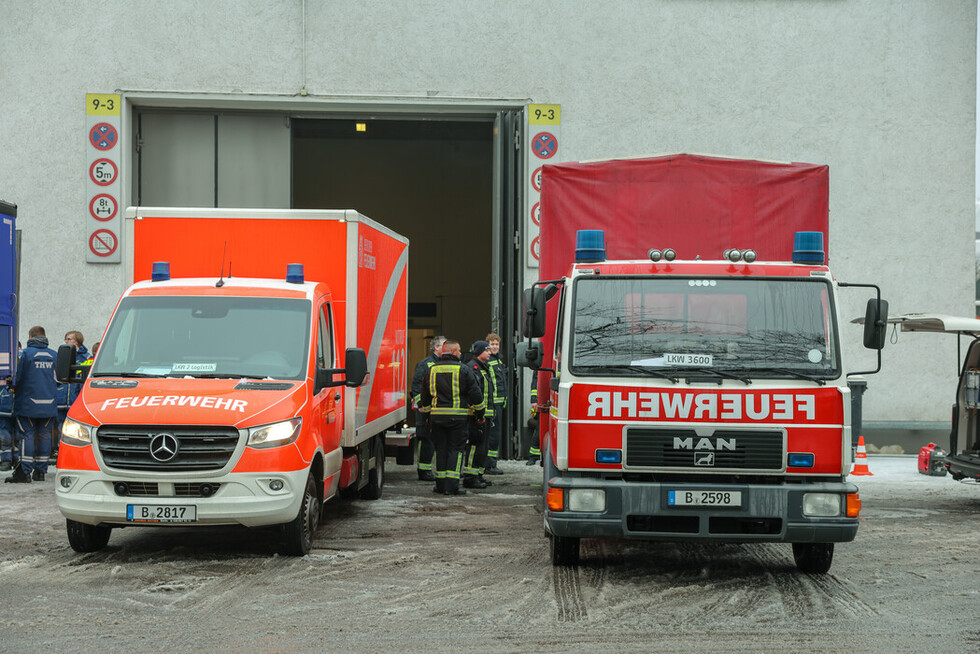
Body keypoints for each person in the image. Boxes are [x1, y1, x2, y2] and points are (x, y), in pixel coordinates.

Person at [419, 340, 483, 496]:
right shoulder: (464, 369)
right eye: (459, 350)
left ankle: (440, 485)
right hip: (457, 418)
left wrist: (427, 415)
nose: (461, 353)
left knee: (441, 450)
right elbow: (475, 393)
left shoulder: (431, 370)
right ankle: (452, 486)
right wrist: (479, 414)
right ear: (453, 352)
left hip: (436, 418)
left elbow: (424, 396)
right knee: (456, 450)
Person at [5, 326, 58, 483]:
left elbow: (17, 377)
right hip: (49, 404)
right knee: (44, 435)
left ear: (30, 336)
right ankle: (40, 472)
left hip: (28, 404)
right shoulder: (54, 355)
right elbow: (60, 379)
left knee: (27, 435)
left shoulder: (26, 354)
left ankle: (24, 472)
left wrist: (11, 386)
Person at [52, 330, 92, 465]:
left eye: (69, 339)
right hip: (62, 399)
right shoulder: (62, 357)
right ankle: (61, 455)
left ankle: (75, 458)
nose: (67, 342)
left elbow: (85, 380)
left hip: (75, 400)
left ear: (77, 341)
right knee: (60, 428)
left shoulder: (86, 358)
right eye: (66, 339)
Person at [410, 335, 446, 481]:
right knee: (426, 440)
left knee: (438, 440)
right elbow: (416, 387)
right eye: (444, 345)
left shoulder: (445, 363)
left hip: (439, 410)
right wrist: (422, 406)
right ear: (436, 347)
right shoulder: (425, 364)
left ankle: (439, 470)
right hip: (426, 410)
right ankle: (424, 471)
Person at [463, 340, 493, 489]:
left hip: (485, 415)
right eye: (487, 350)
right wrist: (477, 413)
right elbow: (473, 393)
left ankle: (479, 475)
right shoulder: (472, 368)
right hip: (475, 415)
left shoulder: (484, 367)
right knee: (475, 446)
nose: (490, 352)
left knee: (483, 447)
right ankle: (470, 477)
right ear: (479, 351)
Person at [484, 333, 508, 474]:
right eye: (492, 344)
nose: (495, 347)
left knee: (496, 435)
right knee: (492, 436)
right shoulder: (488, 361)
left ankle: (492, 463)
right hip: (492, 405)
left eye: (496, 344)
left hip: (499, 404)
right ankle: (489, 465)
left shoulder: (498, 361)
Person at [526, 373, 541, 465]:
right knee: (539, 430)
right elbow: (535, 381)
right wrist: (534, 400)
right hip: (544, 401)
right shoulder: (542, 363)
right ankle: (533, 456)